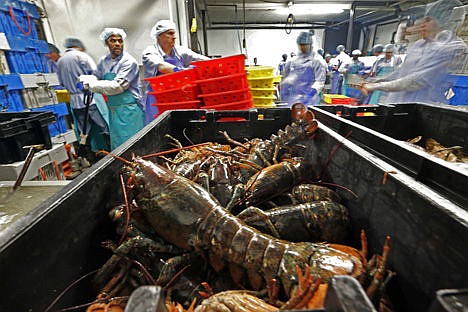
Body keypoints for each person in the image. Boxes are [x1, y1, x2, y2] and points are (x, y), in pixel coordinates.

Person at [361, 0, 468, 105]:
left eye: (428, 20)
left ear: (445, 21)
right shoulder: (419, 44)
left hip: (422, 107)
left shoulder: (454, 47)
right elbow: (402, 72)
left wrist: (377, 86)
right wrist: (376, 81)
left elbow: (417, 81)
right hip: (396, 103)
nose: (422, 24)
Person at [79, 28, 145, 150]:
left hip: (129, 111)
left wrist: (91, 85)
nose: (117, 44)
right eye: (113, 40)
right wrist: (86, 79)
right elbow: (96, 76)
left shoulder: (129, 62)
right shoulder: (104, 61)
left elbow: (118, 87)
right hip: (114, 111)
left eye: (120, 41)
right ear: (106, 43)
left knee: (133, 145)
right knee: (119, 145)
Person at [142, 20, 209, 123]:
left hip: (179, 98)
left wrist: (215, 64)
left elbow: (200, 59)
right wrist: (181, 71)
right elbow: (162, 66)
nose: (174, 37)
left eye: (174, 33)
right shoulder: (150, 52)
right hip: (157, 101)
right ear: (159, 36)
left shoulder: (179, 51)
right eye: (170, 33)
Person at [57, 37, 110, 151]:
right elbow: (96, 74)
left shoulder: (60, 61)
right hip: (90, 98)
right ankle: (111, 150)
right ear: (79, 46)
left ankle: (88, 155)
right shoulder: (82, 56)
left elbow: (61, 82)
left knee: (84, 131)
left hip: (75, 102)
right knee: (104, 125)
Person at [279, 31, 326, 106]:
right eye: (300, 45)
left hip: (310, 99)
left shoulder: (317, 60)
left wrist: (310, 93)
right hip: (294, 98)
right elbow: (292, 76)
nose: (302, 47)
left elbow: (320, 81)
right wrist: (285, 84)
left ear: (310, 45)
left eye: (305, 45)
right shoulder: (294, 60)